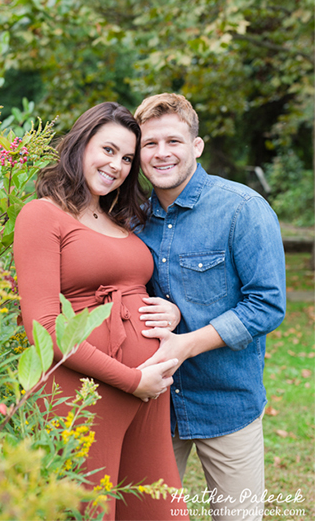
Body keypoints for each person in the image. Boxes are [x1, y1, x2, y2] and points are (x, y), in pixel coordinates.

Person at [13, 102, 188, 520]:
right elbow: (44, 328)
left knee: (157, 510)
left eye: (127, 158)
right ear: (80, 144)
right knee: (90, 512)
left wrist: (171, 314)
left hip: (149, 390)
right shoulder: (43, 215)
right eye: (108, 150)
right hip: (86, 393)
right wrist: (132, 380)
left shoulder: (118, 219)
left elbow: (133, 290)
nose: (118, 166)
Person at [133, 93, 287, 521]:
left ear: (195, 146)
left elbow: (268, 304)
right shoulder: (130, 218)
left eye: (173, 141)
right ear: (139, 153)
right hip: (154, 404)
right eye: (150, 144)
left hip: (227, 401)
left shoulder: (243, 210)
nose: (162, 153)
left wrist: (186, 344)